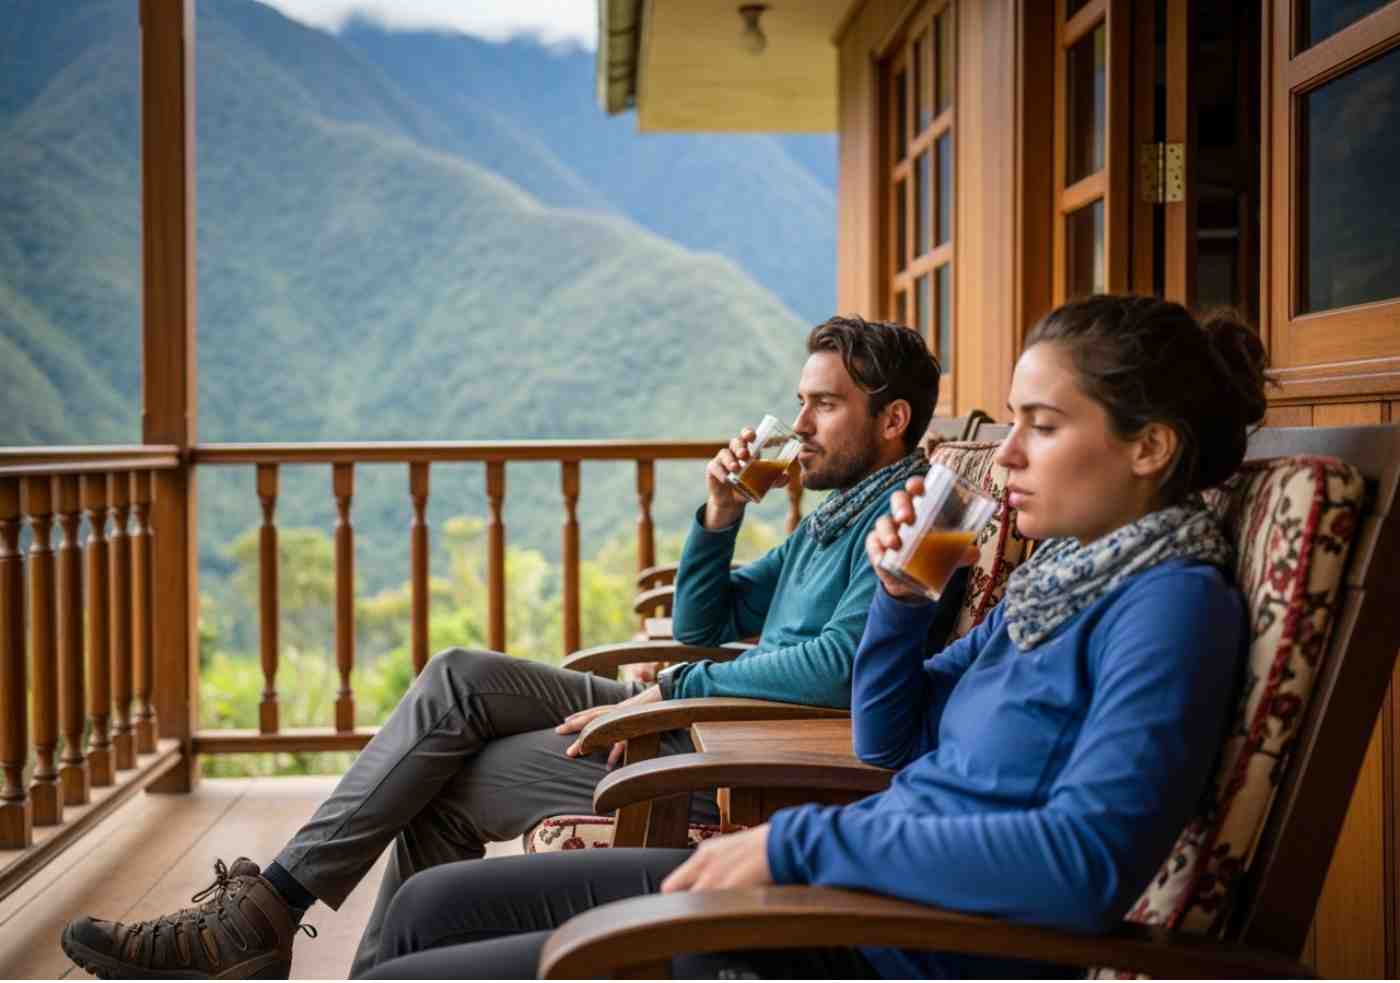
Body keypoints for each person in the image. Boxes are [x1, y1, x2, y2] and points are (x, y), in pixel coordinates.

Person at [355, 293, 1268, 980]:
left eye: (1044, 425)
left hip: (887, 946)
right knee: (428, 906)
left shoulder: (1169, 608)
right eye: (1013, 422)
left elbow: (1082, 867)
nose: (1010, 457)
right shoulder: (1057, 584)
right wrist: (902, 598)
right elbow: (890, 737)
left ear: (1150, 447)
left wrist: (797, 850)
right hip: (840, 893)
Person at [61, 316, 961, 981]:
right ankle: (280, 920)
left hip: (720, 751)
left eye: (824, 404)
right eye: (800, 399)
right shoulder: (833, 514)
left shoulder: (902, 516)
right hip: (701, 721)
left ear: (892, 421)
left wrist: (677, 685)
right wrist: (720, 515)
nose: (799, 422)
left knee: (445, 771)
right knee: (458, 680)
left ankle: (278, 926)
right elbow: (705, 613)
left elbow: (837, 665)